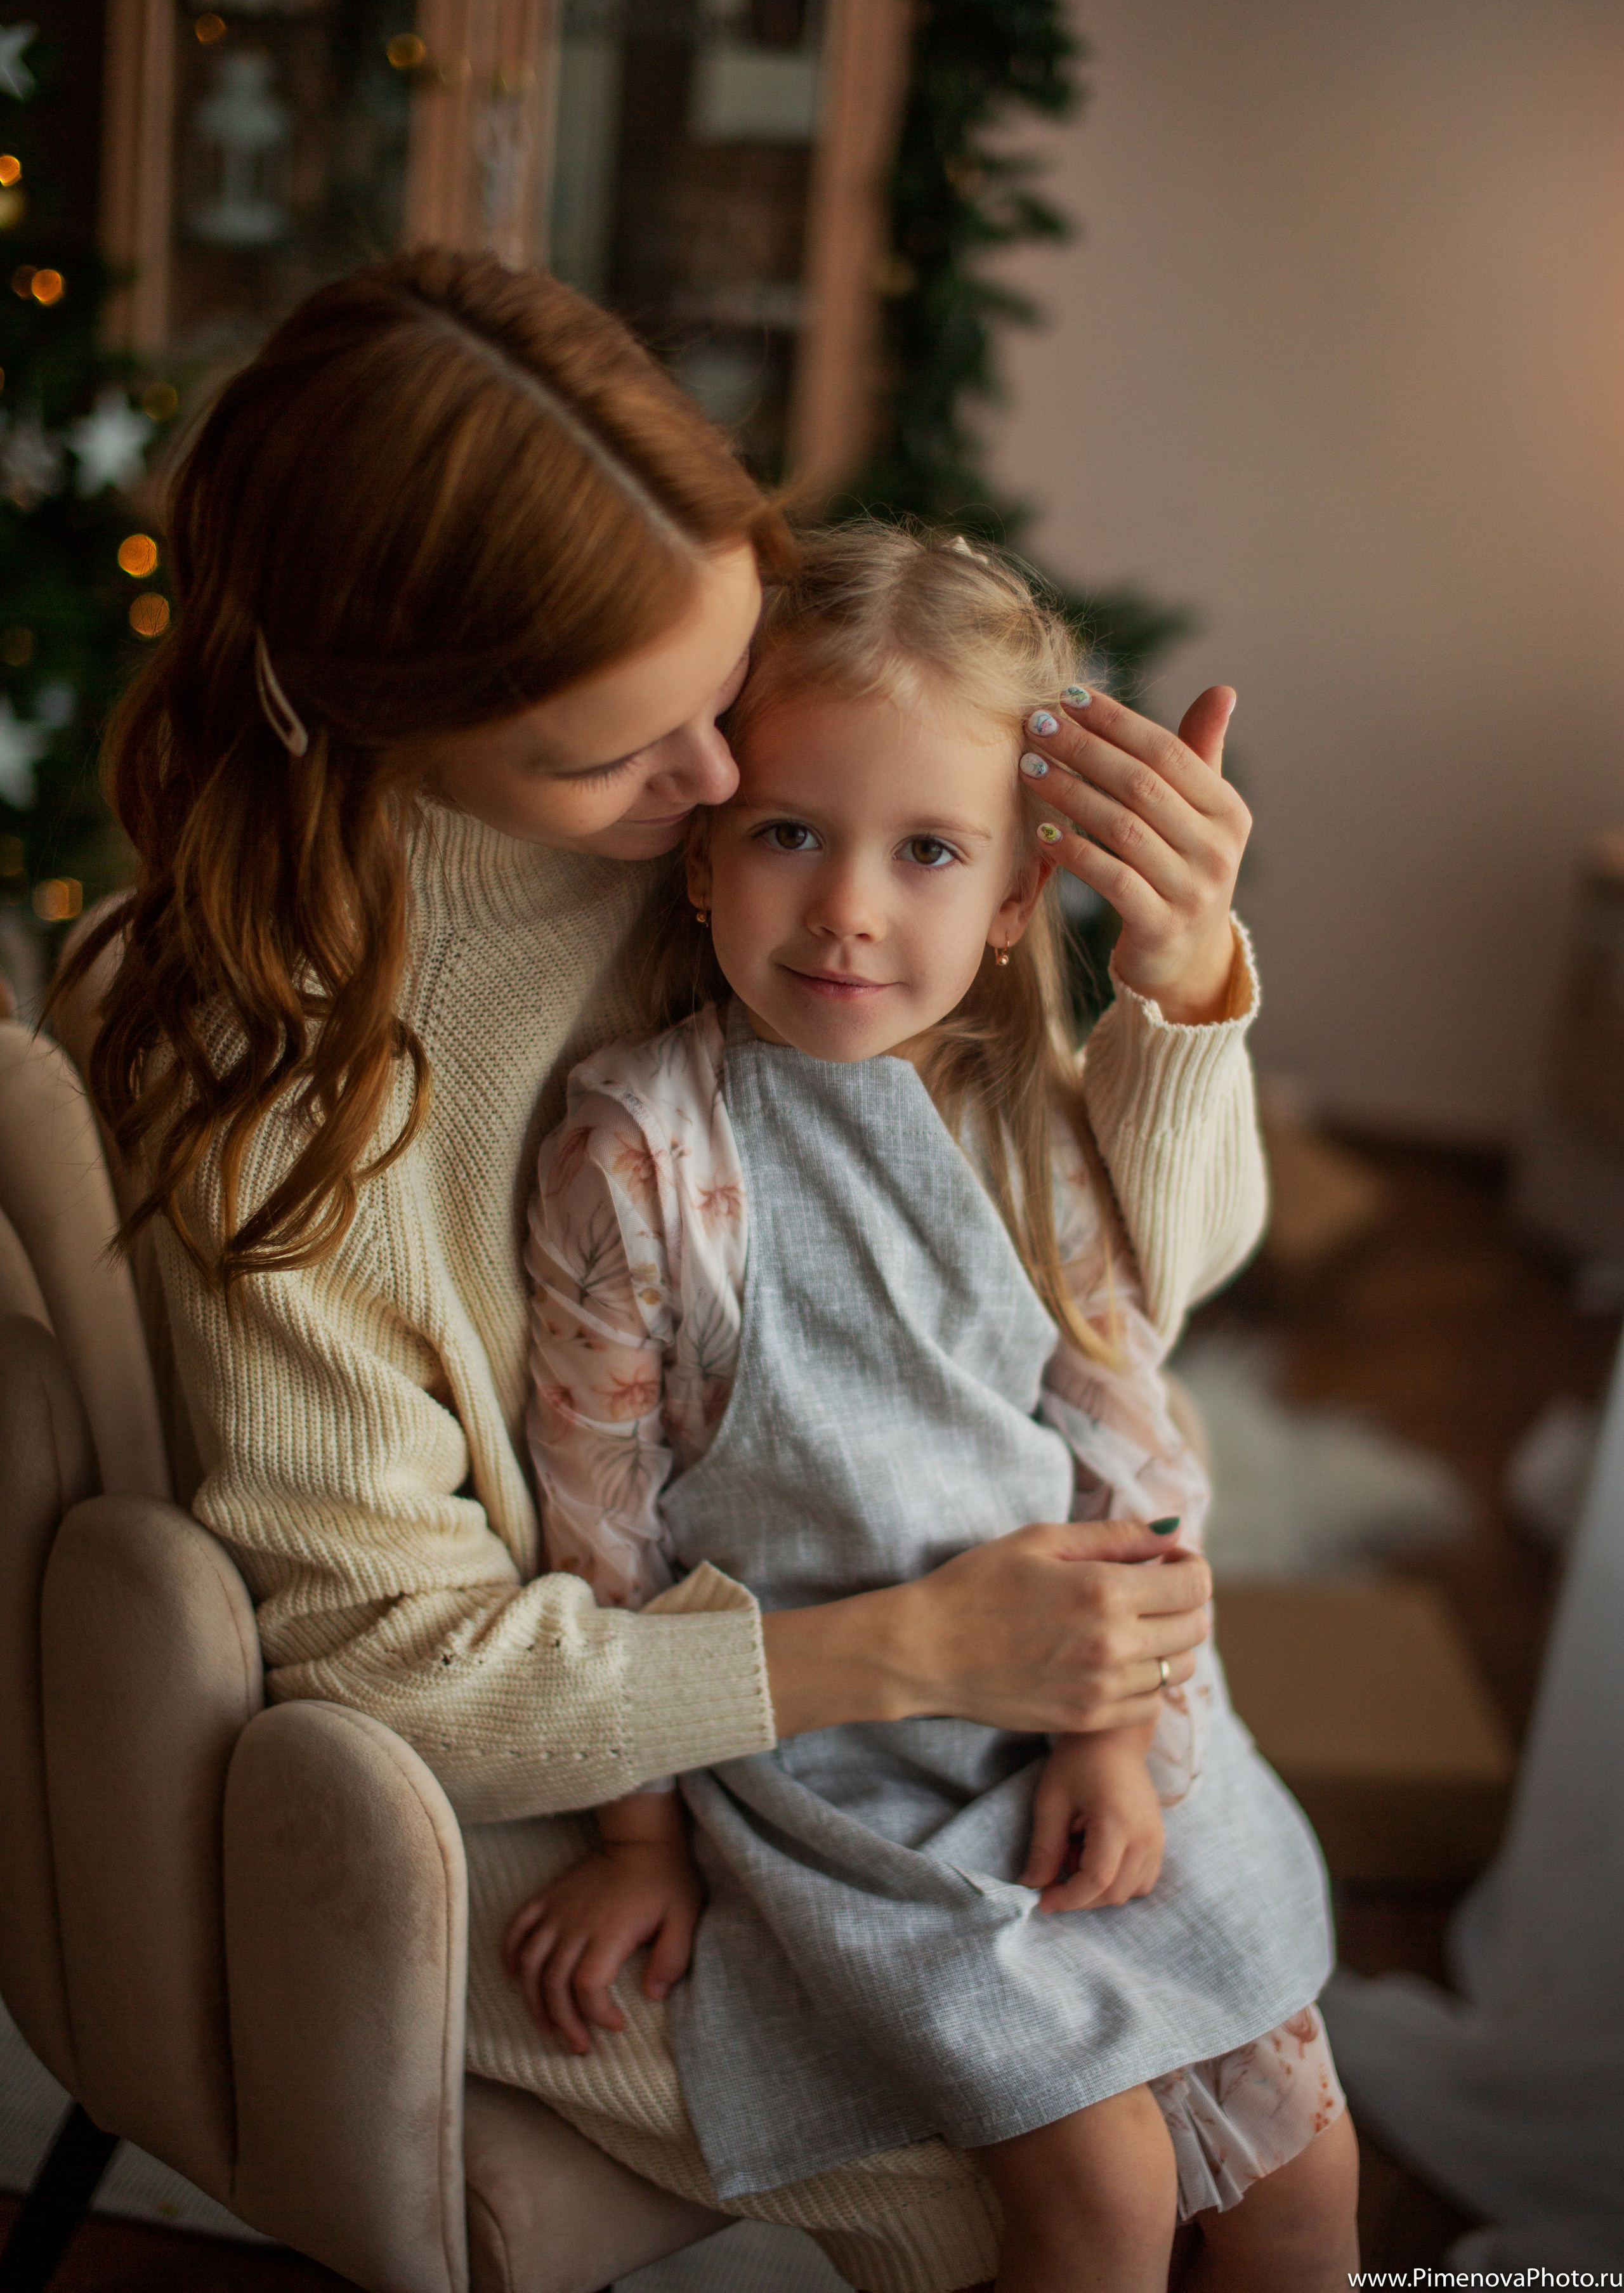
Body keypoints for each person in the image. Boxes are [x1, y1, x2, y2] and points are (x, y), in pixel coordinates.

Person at [64, 249, 1281, 2292]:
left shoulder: (743, 834)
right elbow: (391, 1659)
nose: (727, 795)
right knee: (1120, 2167)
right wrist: (912, 1657)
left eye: (719, 700)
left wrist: (1178, 999)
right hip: (606, 1779)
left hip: (931, 1683)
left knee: (1278, 2116)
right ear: (383, 713)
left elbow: (1128, 1290)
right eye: (633, 757)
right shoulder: (285, 1089)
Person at [513, 527, 1359, 2293]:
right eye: (792, 836)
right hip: (846, 1762)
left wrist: (1110, 1733)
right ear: (701, 853)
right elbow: (604, 1522)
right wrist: (637, 1837)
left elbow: (1129, 1433)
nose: (846, 908)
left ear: (1005, 902)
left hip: (1081, 1693)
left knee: (1300, 2171)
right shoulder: (640, 1153)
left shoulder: (1029, 1124)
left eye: (926, 853)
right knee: (1104, 2195)